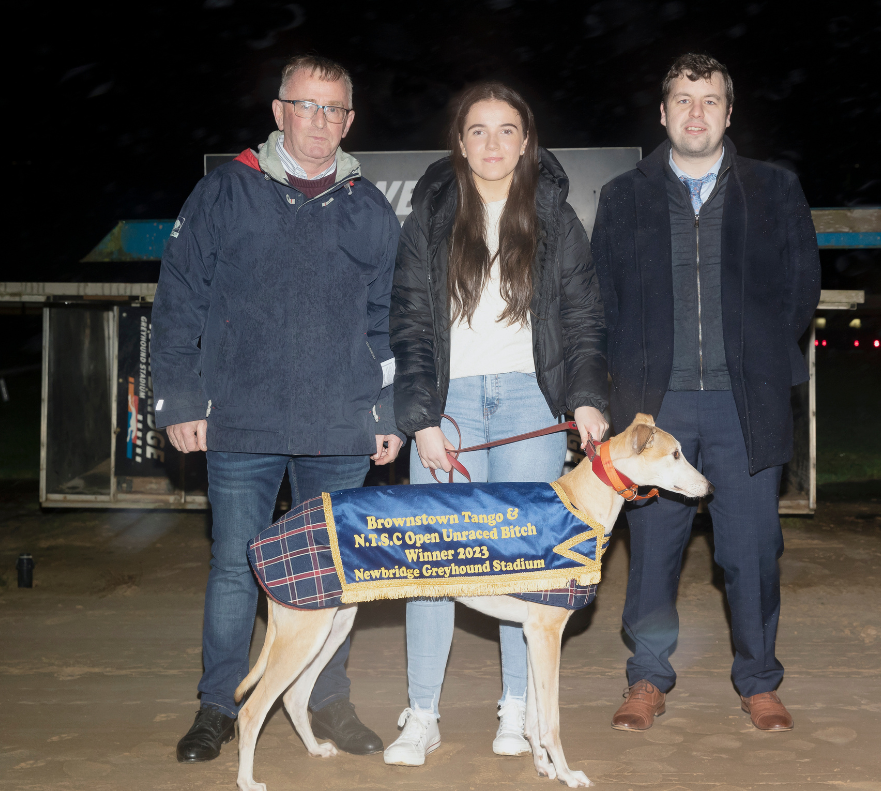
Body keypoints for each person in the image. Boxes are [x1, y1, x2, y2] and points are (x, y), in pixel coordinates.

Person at [150, 55, 402, 763]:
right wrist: (180, 396)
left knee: (331, 574)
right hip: (242, 418)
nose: (320, 121)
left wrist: (385, 410)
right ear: (278, 111)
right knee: (235, 566)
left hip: (338, 423)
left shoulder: (369, 207)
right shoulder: (226, 191)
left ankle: (328, 699)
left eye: (334, 109)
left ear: (349, 120)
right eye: (307, 105)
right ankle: (216, 705)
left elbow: (385, 322)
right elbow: (180, 299)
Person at [591, 53, 821, 733]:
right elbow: (602, 297)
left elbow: (799, 288)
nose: (697, 113)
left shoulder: (774, 189)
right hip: (652, 410)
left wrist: (765, 365)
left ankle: (758, 680)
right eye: (684, 100)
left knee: (751, 548)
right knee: (653, 546)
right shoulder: (625, 195)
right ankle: (647, 677)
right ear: (663, 114)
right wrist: (617, 386)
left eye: (711, 100)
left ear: (729, 112)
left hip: (743, 403)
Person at [385, 81, 608, 765]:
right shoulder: (428, 215)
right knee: (435, 561)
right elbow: (412, 323)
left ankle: (517, 707)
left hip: (529, 405)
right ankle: (422, 711)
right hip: (448, 406)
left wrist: (586, 397)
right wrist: (422, 421)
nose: (491, 143)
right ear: (459, 141)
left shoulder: (554, 217)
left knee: (521, 562)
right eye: (477, 130)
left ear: (526, 139)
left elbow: (581, 321)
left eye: (506, 129)